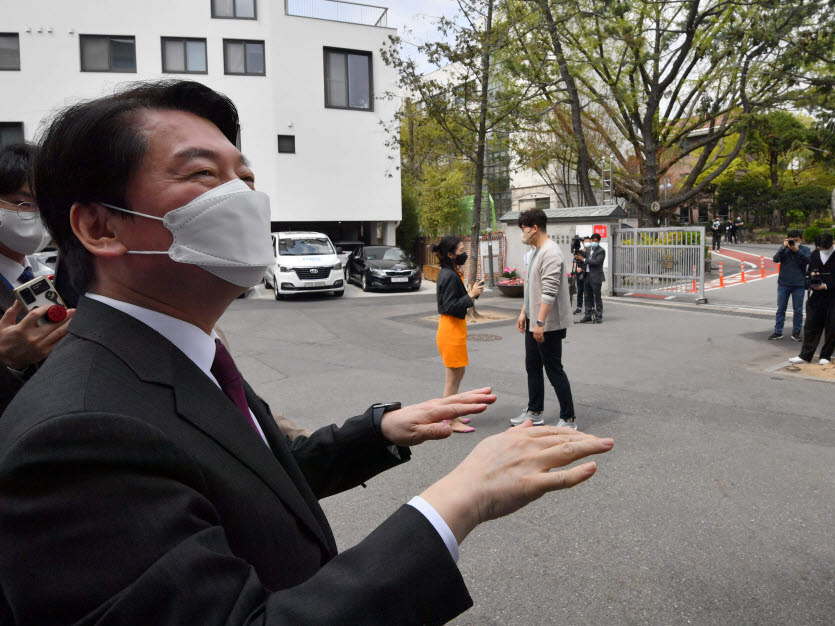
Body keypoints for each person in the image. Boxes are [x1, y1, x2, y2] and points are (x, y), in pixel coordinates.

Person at [0, 80, 614, 624]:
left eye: (246, 179)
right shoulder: (77, 435)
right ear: (100, 228)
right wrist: (457, 501)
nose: (243, 198)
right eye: (203, 175)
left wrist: (381, 431)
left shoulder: (189, 349)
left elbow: (252, 476)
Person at [0, 143, 75, 412]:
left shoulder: (58, 273)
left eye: (46, 205)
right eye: (24, 203)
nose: (38, 216)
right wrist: (8, 362)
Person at [510, 208, 578, 430]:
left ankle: (568, 418)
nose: (523, 233)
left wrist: (540, 323)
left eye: (524, 229)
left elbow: (549, 291)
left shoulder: (551, 252)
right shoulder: (536, 250)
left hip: (547, 324)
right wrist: (524, 312)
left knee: (553, 368)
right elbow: (532, 288)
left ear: (534, 228)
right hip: (534, 321)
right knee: (532, 366)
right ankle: (535, 411)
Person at [433, 235, 484, 433]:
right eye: (461, 250)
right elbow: (446, 307)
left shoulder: (452, 272)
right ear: (450, 254)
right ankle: (448, 419)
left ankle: (452, 413)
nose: (464, 253)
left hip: (456, 329)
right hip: (450, 330)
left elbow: (456, 300)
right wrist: (469, 297)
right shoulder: (448, 275)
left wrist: (471, 294)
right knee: (452, 378)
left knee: (459, 372)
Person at [789, 233, 835, 365]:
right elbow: (810, 271)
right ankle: (805, 354)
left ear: (831, 244)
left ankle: (825, 355)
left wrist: (826, 285)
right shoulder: (815, 254)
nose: (822, 250)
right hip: (816, 295)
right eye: (819, 247)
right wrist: (812, 276)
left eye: (824, 247)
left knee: (832, 325)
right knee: (811, 324)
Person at [769, 229, 810, 341]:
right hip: (783, 283)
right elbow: (775, 259)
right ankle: (778, 331)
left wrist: (797, 250)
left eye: (796, 240)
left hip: (799, 284)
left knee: (798, 310)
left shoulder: (805, 249)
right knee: (781, 308)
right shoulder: (784, 249)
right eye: (792, 240)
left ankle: (796, 332)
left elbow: (808, 261)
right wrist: (783, 247)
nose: (794, 243)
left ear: (801, 239)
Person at [577, 233, 605, 324]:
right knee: (587, 296)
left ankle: (598, 315)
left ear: (599, 241)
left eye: (596, 241)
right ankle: (588, 314)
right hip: (587, 275)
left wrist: (584, 260)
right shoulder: (588, 249)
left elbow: (597, 262)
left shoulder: (601, 251)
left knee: (597, 297)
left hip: (596, 276)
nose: (594, 242)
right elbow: (584, 260)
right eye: (593, 241)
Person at [572, 235, 588, 314]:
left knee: (588, 292)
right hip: (579, 275)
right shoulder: (579, 252)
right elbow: (575, 261)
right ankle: (579, 307)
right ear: (582, 243)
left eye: (589, 241)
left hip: (588, 274)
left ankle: (589, 308)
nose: (587, 243)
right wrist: (577, 268)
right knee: (580, 291)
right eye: (586, 241)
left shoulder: (590, 252)